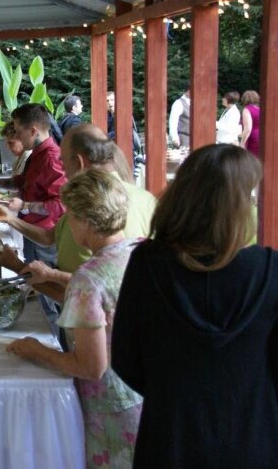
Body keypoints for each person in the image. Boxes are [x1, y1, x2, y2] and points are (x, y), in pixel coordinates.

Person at [111, 144, 278, 467]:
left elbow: (125, 357)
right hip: (254, 438)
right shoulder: (270, 271)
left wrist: (170, 391)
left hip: (169, 437)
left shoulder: (148, 263)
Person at [7, 169, 142, 468]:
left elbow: (91, 367)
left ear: (86, 221)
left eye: (70, 217)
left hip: (111, 406)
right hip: (145, 394)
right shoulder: (140, 250)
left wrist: (36, 350)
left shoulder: (88, 277)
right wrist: (49, 277)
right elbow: (104, 302)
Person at [0, 124, 156, 301]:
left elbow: (74, 295)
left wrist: (16, 266)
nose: (62, 170)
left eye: (63, 162)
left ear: (79, 162)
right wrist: (10, 219)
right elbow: (48, 237)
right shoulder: (147, 199)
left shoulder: (86, 211)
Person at [7, 103, 66, 265]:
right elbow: (22, 182)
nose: (17, 137)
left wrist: (24, 205)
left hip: (45, 238)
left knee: (41, 280)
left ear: (33, 131)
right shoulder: (37, 153)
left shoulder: (52, 158)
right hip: (32, 231)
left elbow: (61, 204)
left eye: (19, 132)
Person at [106, 91, 143, 157]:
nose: (110, 103)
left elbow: (122, 131)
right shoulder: (106, 116)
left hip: (126, 147)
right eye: (107, 101)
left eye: (112, 100)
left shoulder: (124, 113)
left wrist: (105, 136)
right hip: (111, 149)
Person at [240, 90, 261, 158]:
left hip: (252, 137)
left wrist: (242, 143)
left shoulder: (247, 109)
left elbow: (248, 128)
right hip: (261, 136)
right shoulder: (260, 109)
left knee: (251, 159)